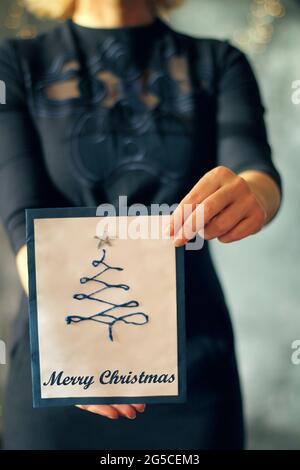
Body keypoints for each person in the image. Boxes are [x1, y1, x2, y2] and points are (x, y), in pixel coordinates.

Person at [0, 0, 281, 450]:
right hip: (62, 357)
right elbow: (21, 219)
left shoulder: (219, 61)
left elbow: (254, 168)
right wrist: (74, 341)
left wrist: (255, 195)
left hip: (193, 364)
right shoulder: (13, 64)